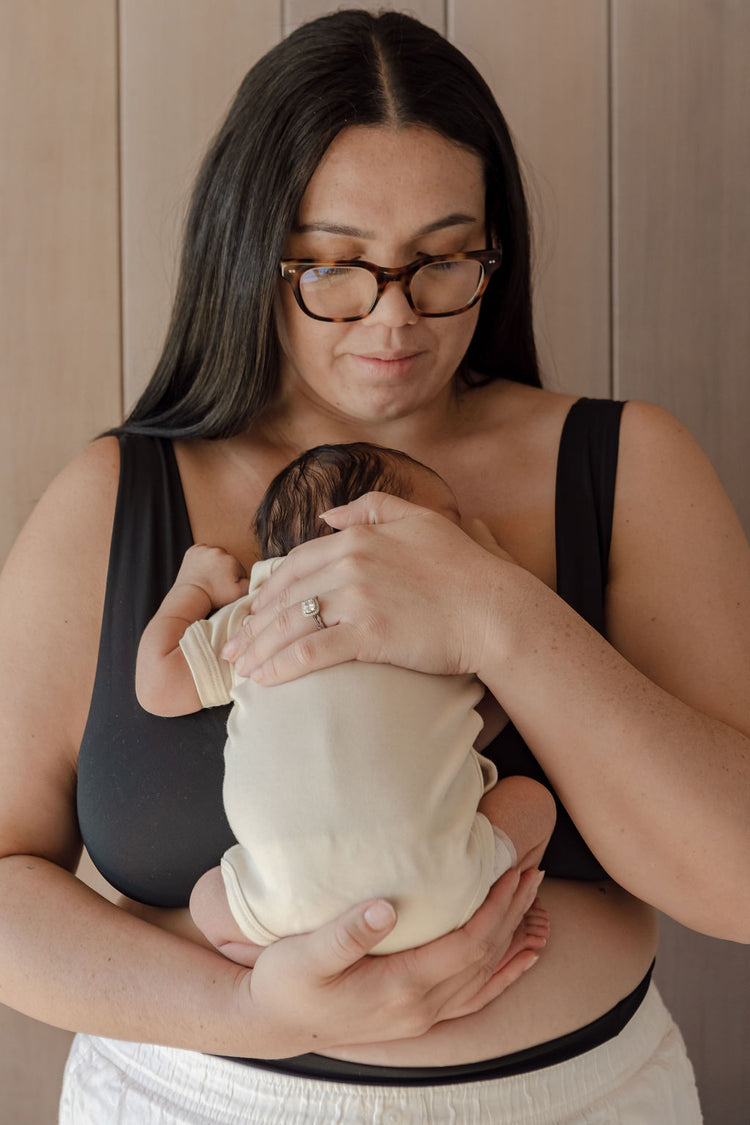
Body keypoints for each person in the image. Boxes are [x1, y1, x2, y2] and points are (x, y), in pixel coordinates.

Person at [0, 7, 747, 1123]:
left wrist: (496, 613)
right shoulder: (121, 498)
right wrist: (263, 1015)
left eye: (443, 261)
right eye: (337, 266)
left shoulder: (623, 463)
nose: (393, 320)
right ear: (253, 250)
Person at [135, 441, 556, 962]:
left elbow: (159, 685)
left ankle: (290, 969)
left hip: (283, 907)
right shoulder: (441, 615)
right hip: (444, 897)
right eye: (448, 527)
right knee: (533, 802)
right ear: (366, 531)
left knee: (207, 903)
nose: (463, 543)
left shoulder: (257, 615)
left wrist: (193, 586)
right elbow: (508, 683)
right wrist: (501, 575)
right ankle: (503, 907)